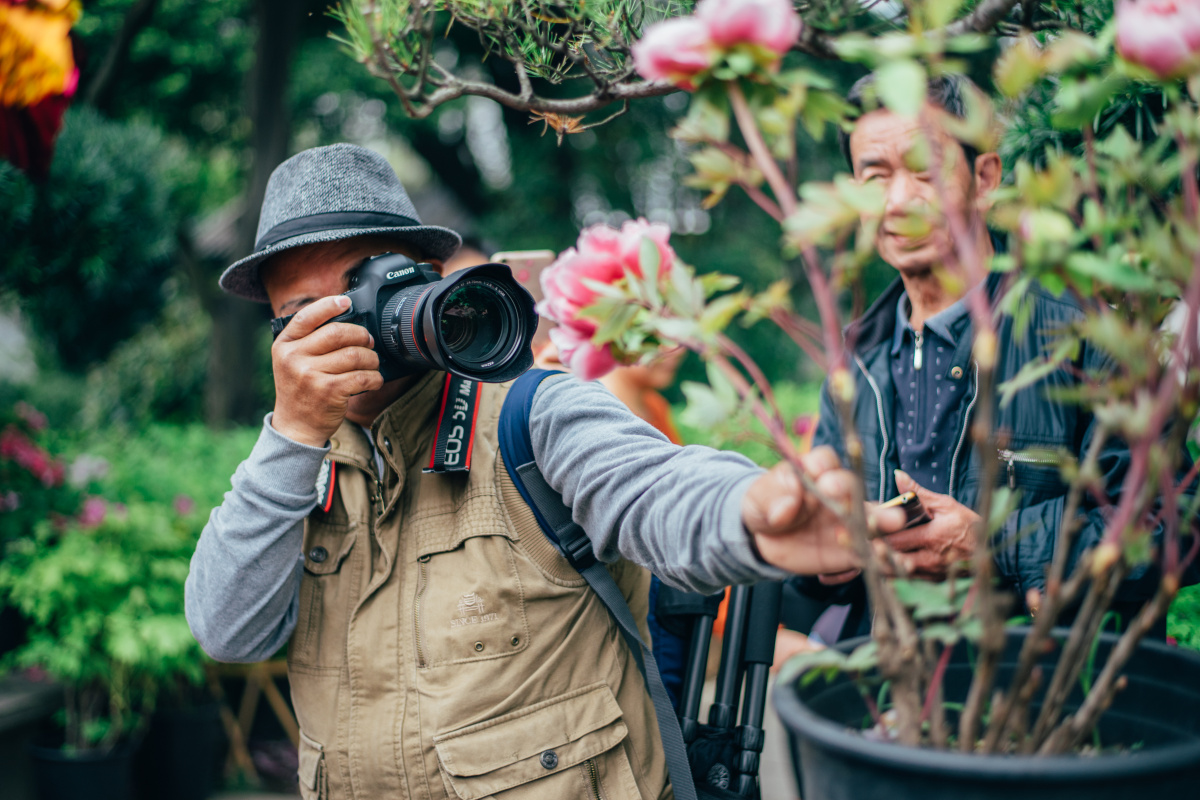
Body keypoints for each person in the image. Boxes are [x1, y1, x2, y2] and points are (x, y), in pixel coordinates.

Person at [184, 143, 906, 800]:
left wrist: (752, 511)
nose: (349, 324)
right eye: (307, 313)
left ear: (425, 280)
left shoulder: (531, 414)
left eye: (363, 285)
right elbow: (227, 630)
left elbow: (653, 487)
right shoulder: (294, 463)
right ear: (280, 338)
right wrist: (292, 435)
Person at [787, 74, 1192, 647]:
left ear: (985, 180)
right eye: (874, 177)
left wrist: (999, 543)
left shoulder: (1086, 337)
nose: (899, 201)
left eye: (925, 170)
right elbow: (825, 560)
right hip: (881, 692)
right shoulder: (856, 358)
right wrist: (824, 552)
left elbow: (1176, 520)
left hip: (1035, 696)